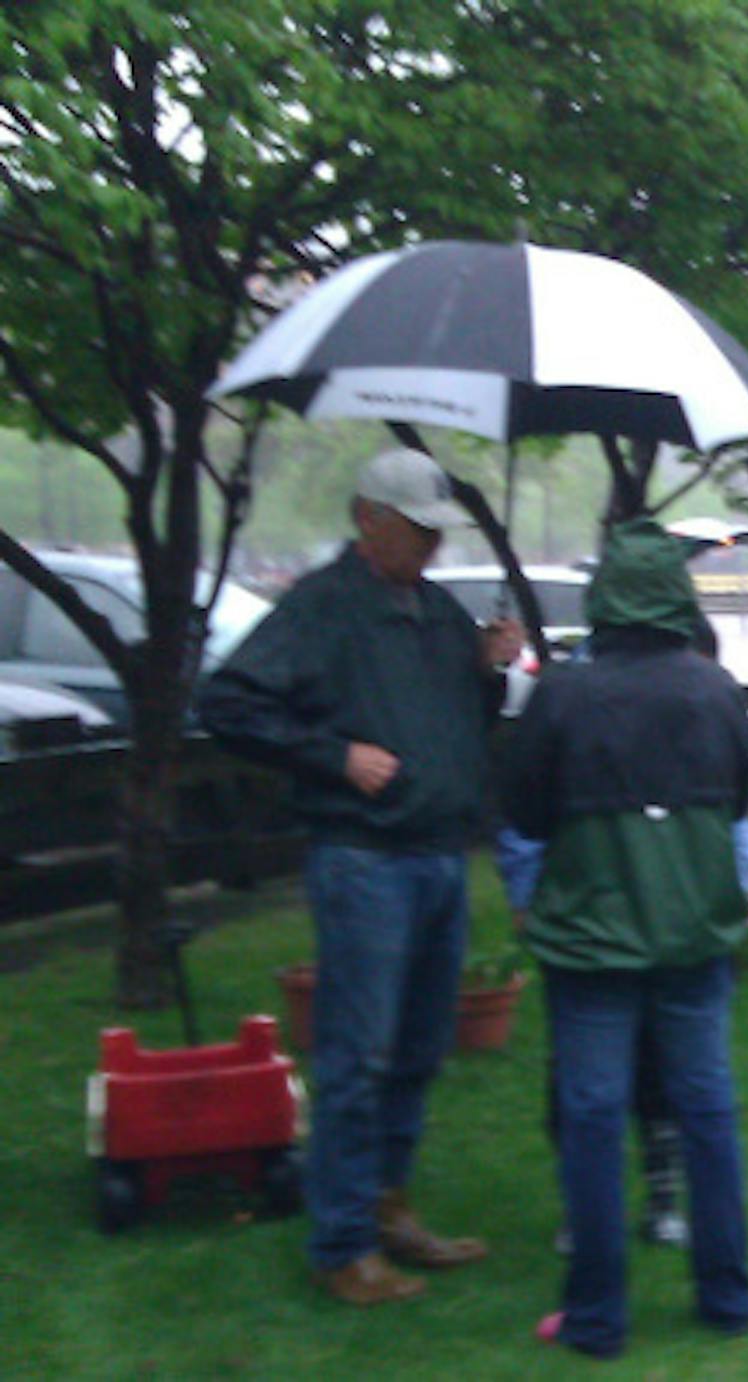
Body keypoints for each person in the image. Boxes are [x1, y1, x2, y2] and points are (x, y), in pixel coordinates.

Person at [199, 447, 519, 1306]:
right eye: (416, 531)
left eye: (434, 533)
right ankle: (341, 1245)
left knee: (416, 1052)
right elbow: (228, 704)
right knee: (358, 1056)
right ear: (367, 519)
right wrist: (333, 756)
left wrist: (488, 672)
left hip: (437, 857)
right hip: (364, 861)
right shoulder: (323, 607)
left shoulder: (441, 613)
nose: (430, 548)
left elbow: (462, 722)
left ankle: (389, 1209)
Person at [502, 518, 748, 1357]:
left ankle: (596, 1318)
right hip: (692, 934)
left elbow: (525, 811)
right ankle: (728, 1298)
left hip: (592, 938)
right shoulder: (715, 689)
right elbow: (740, 799)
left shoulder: (563, 695)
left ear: (606, 595)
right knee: (707, 1111)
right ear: (678, 598)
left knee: (589, 1115)